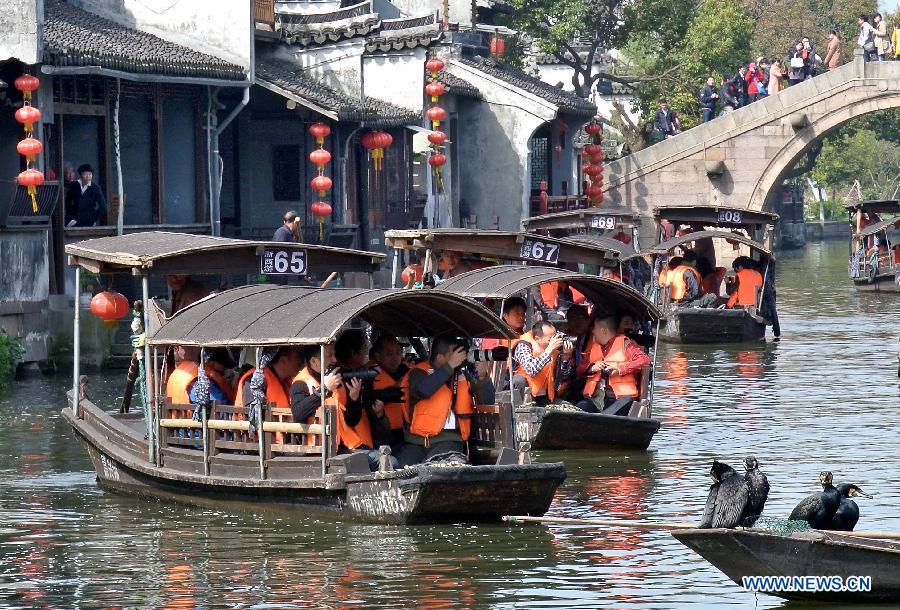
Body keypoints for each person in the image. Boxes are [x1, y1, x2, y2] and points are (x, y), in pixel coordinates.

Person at [399, 336, 473, 467]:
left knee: (441, 467)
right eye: (454, 354)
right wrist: (449, 366)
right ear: (439, 357)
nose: (459, 358)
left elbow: (487, 399)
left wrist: (483, 377)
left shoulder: (462, 376)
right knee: (403, 469)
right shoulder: (418, 372)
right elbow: (423, 390)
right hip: (417, 442)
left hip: (448, 441)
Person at [333, 329, 392, 468]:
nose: (368, 352)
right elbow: (351, 419)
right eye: (365, 349)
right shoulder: (337, 380)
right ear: (354, 353)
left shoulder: (364, 375)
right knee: (391, 463)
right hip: (348, 445)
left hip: (363, 442)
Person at [576, 316, 651, 416]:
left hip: (618, 398)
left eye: (594, 328)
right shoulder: (594, 347)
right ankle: (599, 418)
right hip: (597, 398)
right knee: (581, 406)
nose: (592, 331)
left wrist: (620, 369)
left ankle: (602, 418)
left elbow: (644, 360)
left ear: (603, 330)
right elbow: (580, 369)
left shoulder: (625, 344)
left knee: (627, 401)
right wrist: (593, 368)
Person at [512, 321, 573, 407]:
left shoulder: (554, 350)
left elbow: (563, 377)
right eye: (550, 339)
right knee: (519, 379)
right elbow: (531, 370)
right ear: (537, 339)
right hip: (526, 394)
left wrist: (566, 358)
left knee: (569, 409)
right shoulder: (524, 345)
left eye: (555, 337)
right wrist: (549, 350)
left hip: (545, 396)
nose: (554, 341)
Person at [370, 335, 410, 453]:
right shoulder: (368, 374)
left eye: (398, 353)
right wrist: (395, 389)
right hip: (381, 435)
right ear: (378, 356)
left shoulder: (408, 372)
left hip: (405, 433)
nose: (395, 358)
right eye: (389, 354)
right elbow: (371, 397)